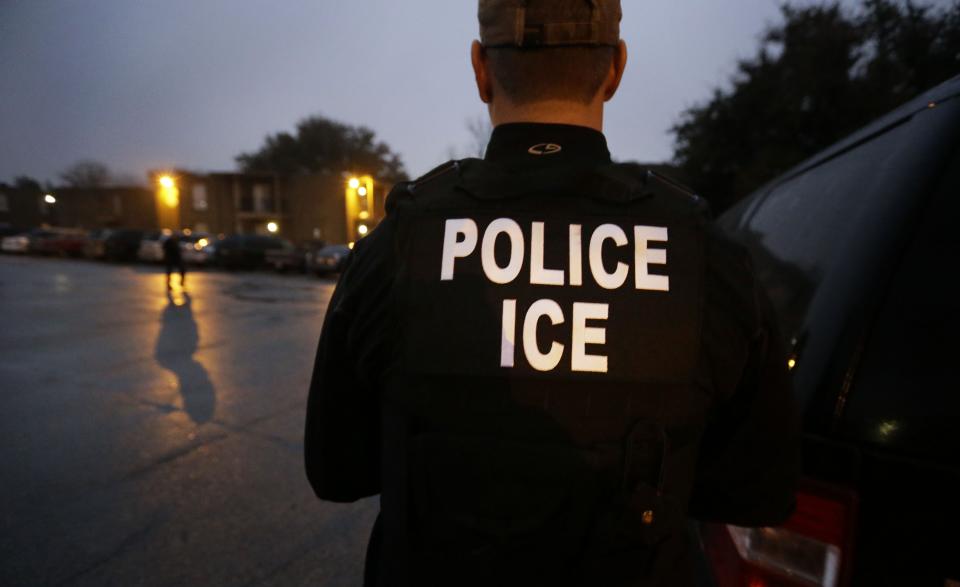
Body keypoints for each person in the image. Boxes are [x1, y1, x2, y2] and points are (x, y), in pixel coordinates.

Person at [304, 1, 800, 585]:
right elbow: (760, 492)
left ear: (481, 68)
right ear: (615, 68)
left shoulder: (396, 246)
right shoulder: (708, 256)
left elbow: (336, 472)